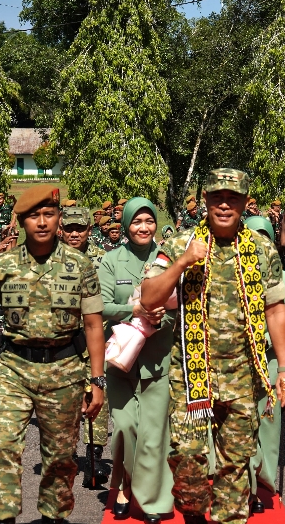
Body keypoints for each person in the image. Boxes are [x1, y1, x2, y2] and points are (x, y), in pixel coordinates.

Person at [0, 184, 106, 524]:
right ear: (21, 222)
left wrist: (97, 379)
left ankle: (53, 517)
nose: (42, 222)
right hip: (13, 369)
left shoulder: (80, 265)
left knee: (60, 457)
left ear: (58, 219)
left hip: (64, 371)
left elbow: (93, 326)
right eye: (34, 216)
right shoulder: (3, 265)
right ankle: (1, 518)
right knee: (1, 448)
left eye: (48, 214)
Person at [141, 168, 285, 524]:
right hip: (192, 378)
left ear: (244, 203)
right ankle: (194, 515)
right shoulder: (181, 243)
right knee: (188, 460)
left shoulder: (261, 248)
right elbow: (149, 298)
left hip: (243, 376)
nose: (224, 205)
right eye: (217, 197)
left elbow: (275, 309)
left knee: (236, 463)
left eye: (233, 198)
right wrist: (183, 262)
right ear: (206, 200)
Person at [99, 198, 175, 524]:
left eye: (149, 221)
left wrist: (159, 320)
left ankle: (152, 499)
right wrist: (133, 310)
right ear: (126, 225)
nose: (143, 227)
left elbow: (178, 307)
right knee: (125, 428)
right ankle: (126, 483)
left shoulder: (167, 259)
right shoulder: (110, 261)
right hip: (120, 361)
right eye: (136, 222)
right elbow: (100, 305)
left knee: (153, 435)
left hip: (157, 360)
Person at [243, 216, 285, 513]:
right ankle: (245, 487)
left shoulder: (284, 279)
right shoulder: (234, 273)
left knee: (266, 427)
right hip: (238, 364)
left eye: (264, 237)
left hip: (269, 363)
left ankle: (263, 485)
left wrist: (263, 339)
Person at [58, 206, 110, 486]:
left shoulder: (103, 259)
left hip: (93, 341)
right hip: (61, 343)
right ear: (61, 230)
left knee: (97, 395)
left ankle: (94, 457)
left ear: (89, 229)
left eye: (80, 228)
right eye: (70, 228)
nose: (75, 233)